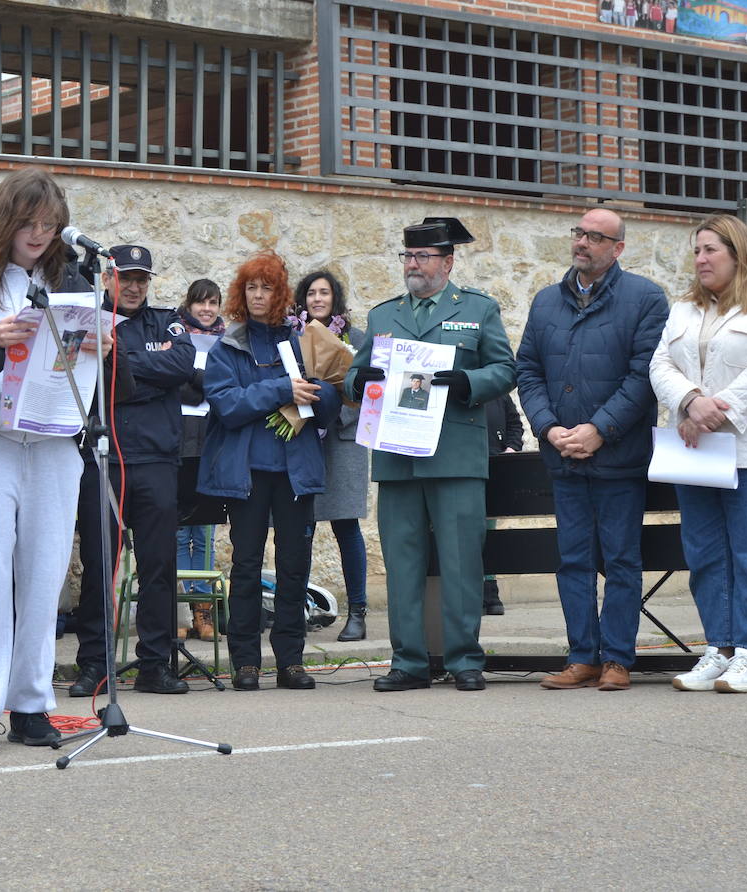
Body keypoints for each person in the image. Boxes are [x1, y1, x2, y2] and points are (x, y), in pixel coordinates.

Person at [0, 167, 128, 754]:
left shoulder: (77, 281)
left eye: (50, 225)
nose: (40, 235)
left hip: (58, 446)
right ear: (5, 221)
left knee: (44, 580)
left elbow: (113, 384)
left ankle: (32, 702)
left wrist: (107, 348)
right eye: (30, 224)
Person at [345, 217, 516, 693]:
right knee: (402, 563)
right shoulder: (383, 315)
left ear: (447, 261)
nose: (413, 265)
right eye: (407, 256)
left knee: (462, 560)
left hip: (455, 452)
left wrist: (469, 382)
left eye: (422, 257)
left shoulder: (478, 310)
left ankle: (464, 659)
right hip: (398, 457)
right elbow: (354, 376)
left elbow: (505, 368)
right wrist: (357, 383)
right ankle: (409, 662)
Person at [515, 209, 670, 691]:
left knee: (621, 559)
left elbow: (644, 376)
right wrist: (547, 427)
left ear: (617, 248)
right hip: (563, 456)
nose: (582, 242)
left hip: (618, 459)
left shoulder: (645, 299)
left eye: (594, 237)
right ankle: (582, 656)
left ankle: (618, 659)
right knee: (573, 560)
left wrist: (600, 429)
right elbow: (528, 371)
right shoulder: (545, 302)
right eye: (578, 233)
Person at [650, 214, 747, 694]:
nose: (700, 259)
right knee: (707, 553)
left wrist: (716, 408)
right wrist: (691, 401)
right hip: (696, 446)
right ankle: (720, 649)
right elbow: (661, 363)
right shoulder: (684, 308)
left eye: (710, 249)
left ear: (737, 253)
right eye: (696, 251)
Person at [199, 252, 340, 691]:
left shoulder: (303, 342)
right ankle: (245, 661)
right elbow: (228, 406)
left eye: (267, 288)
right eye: (251, 288)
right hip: (248, 473)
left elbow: (332, 404)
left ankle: (291, 661)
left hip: (296, 470)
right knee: (245, 565)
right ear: (242, 294)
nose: (258, 296)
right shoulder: (227, 346)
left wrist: (320, 394)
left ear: (280, 295)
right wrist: (282, 387)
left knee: (295, 566)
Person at [69, 245, 196, 698]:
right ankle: (94, 665)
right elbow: (80, 377)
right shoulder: (88, 322)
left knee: (158, 567)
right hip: (103, 460)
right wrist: (146, 375)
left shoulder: (168, 322)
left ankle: (155, 664)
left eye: (143, 278)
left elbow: (181, 365)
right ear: (108, 279)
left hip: (157, 460)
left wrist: (119, 361)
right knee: (99, 567)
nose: (136, 286)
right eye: (127, 277)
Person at [292, 269, 371, 643]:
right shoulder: (292, 338)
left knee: (346, 526)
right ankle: (296, 609)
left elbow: (370, 389)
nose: (317, 299)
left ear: (335, 299)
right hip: (305, 438)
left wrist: (335, 410)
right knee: (301, 527)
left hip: (343, 440)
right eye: (311, 293)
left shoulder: (355, 339)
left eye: (324, 293)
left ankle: (358, 612)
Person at [175, 278, 225, 641]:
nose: (206, 309)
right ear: (189, 305)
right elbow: (176, 382)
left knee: (205, 536)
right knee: (178, 534)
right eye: (200, 303)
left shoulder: (226, 342)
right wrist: (200, 381)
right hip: (178, 443)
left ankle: (203, 610)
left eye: (212, 303)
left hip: (212, 445)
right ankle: (179, 606)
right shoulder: (176, 336)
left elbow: (225, 387)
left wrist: (200, 382)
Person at [482, 393, 524, 615]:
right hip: (462, 470)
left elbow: (515, 425)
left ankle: (490, 592)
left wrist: (510, 449)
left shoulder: (497, 393)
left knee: (489, 533)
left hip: (493, 468)